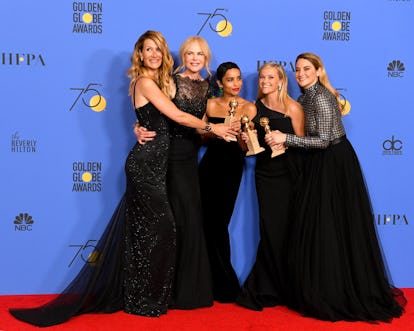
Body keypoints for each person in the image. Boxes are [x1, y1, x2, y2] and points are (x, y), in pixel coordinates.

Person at [9, 30, 236, 327]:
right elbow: (177, 117)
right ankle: (144, 298)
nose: (154, 54)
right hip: (145, 165)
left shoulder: (160, 83)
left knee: (148, 232)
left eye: (158, 49)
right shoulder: (144, 82)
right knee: (162, 229)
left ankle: (144, 296)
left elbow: (159, 118)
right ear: (139, 54)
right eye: (148, 49)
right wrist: (213, 129)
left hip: (159, 163)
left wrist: (138, 126)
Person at [269, 52, 406, 322]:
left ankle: (334, 292)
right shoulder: (305, 97)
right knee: (323, 228)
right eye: (297, 69)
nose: (301, 73)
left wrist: (285, 138)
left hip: (332, 164)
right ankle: (324, 289)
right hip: (321, 163)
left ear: (319, 71)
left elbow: (322, 141)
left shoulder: (320, 97)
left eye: (307, 68)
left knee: (330, 226)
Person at [134, 36, 224, 309]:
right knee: (175, 221)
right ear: (182, 57)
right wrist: (138, 128)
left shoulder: (209, 88)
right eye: (190, 54)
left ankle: (190, 289)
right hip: (168, 155)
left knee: (190, 218)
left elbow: (201, 126)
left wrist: (221, 130)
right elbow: (160, 115)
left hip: (190, 157)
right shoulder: (169, 81)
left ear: (206, 59)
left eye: (200, 54)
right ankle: (171, 291)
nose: (195, 58)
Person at [236, 62, 305, 310]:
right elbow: (247, 149)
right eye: (262, 76)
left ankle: (293, 286)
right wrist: (244, 141)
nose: (264, 80)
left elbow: (304, 143)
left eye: (270, 77)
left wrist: (284, 141)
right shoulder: (253, 109)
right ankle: (268, 287)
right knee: (271, 230)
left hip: (292, 175)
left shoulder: (294, 108)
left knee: (293, 231)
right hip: (266, 176)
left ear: (280, 81)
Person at [198, 61, 256, 303]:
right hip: (209, 166)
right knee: (204, 224)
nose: (236, 84)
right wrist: (218, 129)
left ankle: (225, 284)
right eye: (230, 79)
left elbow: (247, 146)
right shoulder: (210, 103)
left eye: (239, 78)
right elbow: (200, 135)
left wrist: (244, 136)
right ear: (220, 83)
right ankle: (206, 283)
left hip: (232, 167)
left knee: (219, 224)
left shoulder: (250, 108)